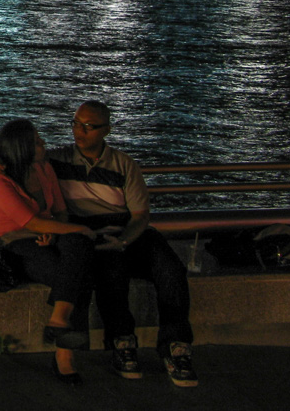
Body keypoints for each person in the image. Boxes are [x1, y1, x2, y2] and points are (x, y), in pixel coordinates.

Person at [48, 100, 198, 388]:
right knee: (110, 272)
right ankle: (121, 342)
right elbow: (25, 162)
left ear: (106, 130)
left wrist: (126, 238)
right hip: (88, 233)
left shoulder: (124, 164)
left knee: (171, 270)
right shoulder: (59, 160)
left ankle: (175, 346)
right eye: (77, 123)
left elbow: (141, 215)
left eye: (89, 126)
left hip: (126, 228)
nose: (80, 131)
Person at [0, 119, 98, 385]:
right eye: (37, 141)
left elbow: (59, 211)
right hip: (18, 244)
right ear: (22, 148)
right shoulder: (1, 181)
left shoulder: (45, 168)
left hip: (47, 235)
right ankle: (64, 356)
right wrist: (71, 229)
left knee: (77, 245)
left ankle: (59, 319)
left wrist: (57, 231)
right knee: (78, 269)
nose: (43, 144)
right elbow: (30, 222)